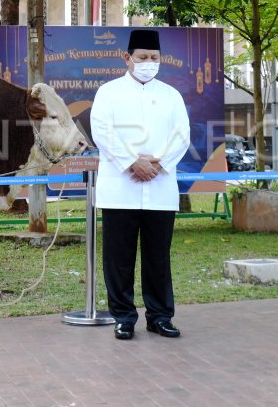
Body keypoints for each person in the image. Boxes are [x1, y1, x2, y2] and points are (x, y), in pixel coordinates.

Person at [90, 29, 191, 340]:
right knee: (118, 258)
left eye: (154, 58)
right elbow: (102, 132)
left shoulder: (171, 95)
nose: (149, 63)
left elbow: (181, 135)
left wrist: (157, 162)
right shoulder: (108, 92)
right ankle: (123, 317)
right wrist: (132, 162)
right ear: (127, 58)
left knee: (158, 257)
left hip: (160, 188)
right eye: (143, 57)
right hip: (121, 188)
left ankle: (160, 316)